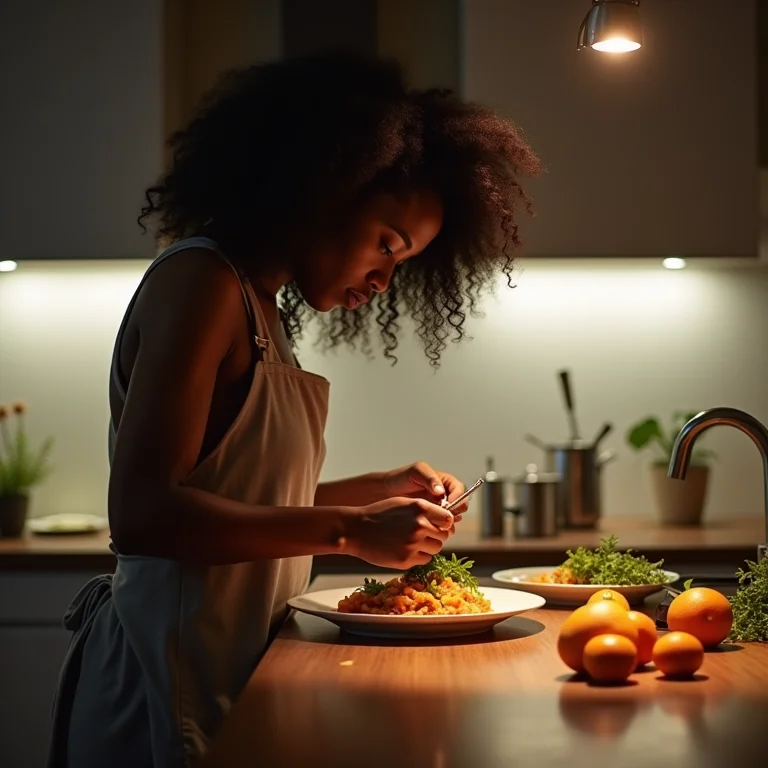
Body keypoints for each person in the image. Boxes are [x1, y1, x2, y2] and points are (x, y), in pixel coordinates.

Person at [47, 50, 540, 767]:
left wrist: (371, 493)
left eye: (401, 265)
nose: (383, 279)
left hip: (225, 672)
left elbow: (228, 499)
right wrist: (348, 530)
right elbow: (146, 514)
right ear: (323, 190)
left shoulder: (259, 306)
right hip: (163, 684)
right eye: (386, 246)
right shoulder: (201, 282)